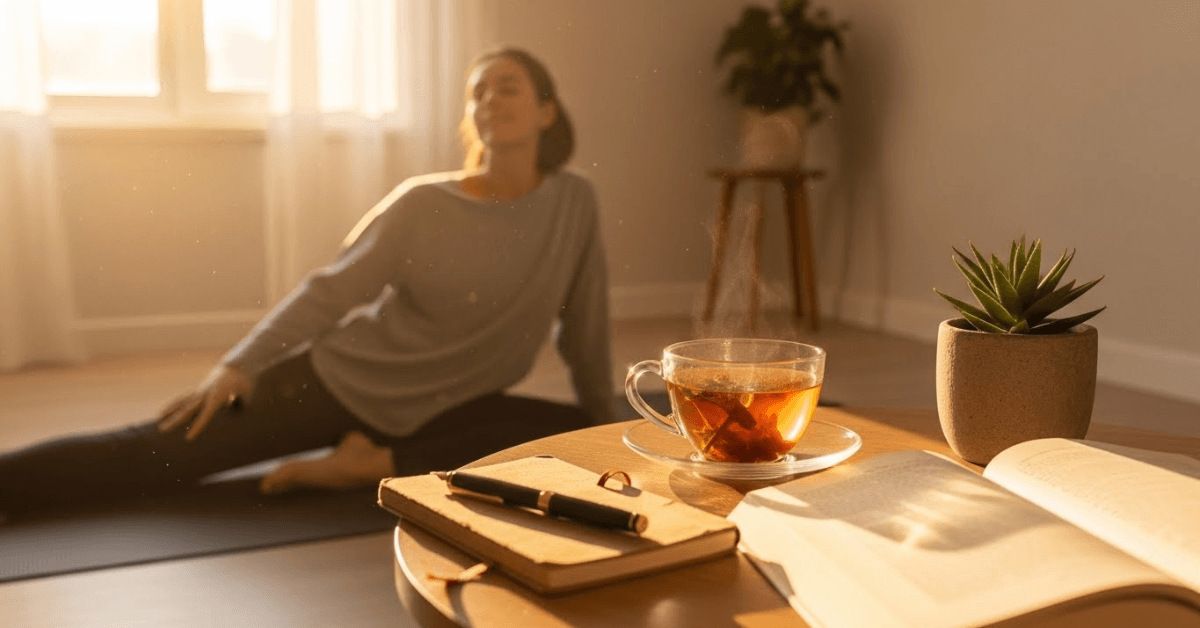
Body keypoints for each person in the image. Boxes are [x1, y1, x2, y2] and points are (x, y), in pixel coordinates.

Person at [0, 47, 615, 517]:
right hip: (336, 385)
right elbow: (332, 290)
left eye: (507, 88)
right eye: (478, 93)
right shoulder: (423, 205)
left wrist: (603, 430)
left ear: (546, 110)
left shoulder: (574, 202)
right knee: (154, 454)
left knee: (563, 428)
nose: (489, 101)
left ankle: (369, 465)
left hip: (441, 412)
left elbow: (585, 319)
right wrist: (239, 366)